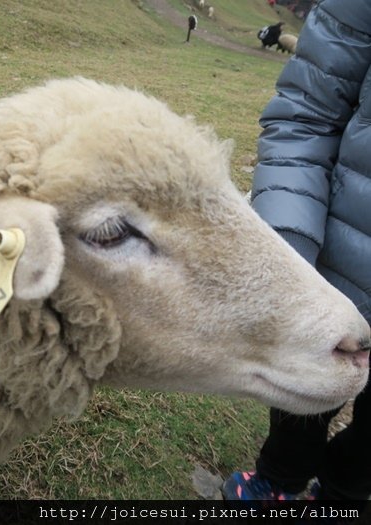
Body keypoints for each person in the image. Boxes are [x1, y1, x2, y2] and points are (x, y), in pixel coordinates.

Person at [223, 0, 371, 501]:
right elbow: (308, 114)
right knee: (304, 390)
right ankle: (279, 482)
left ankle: (338, 495)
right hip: (342, 265)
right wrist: (287, 255)